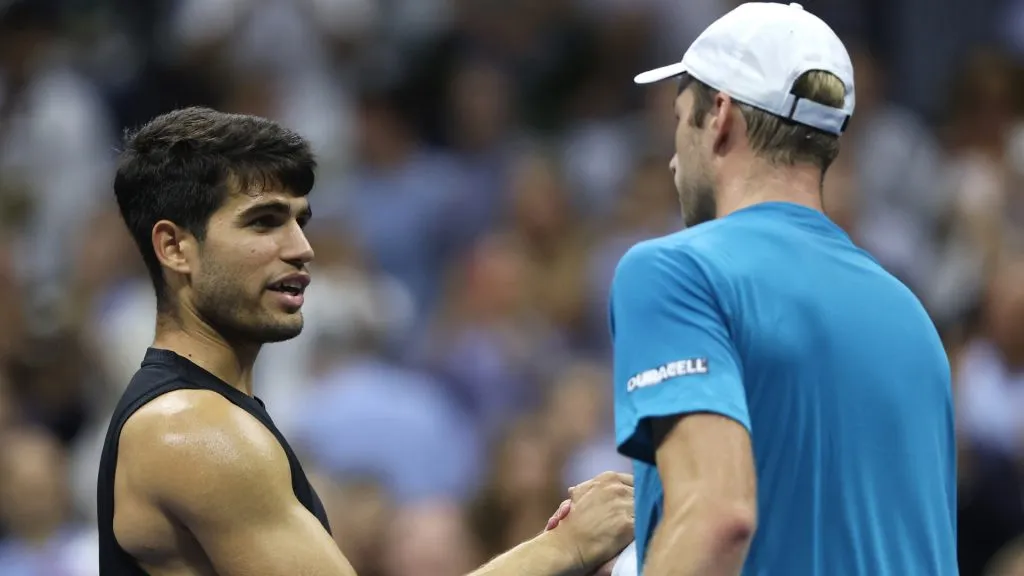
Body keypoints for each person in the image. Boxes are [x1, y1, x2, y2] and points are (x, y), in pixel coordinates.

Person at [96, 106, 635, 576]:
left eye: (301, 222)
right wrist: (567, 546)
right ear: (174, 248)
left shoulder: (204, 415)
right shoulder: (192, 431)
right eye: (264, 223)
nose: (302, 248)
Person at [607, 3, 956, 575]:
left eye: (678, 120)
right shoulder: (912, 316)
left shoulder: (674, 271)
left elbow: (716, 520)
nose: (672, 160)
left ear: (719, 116)